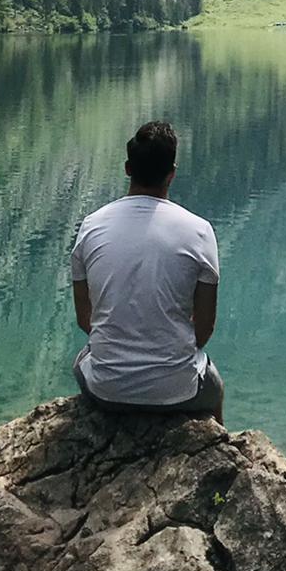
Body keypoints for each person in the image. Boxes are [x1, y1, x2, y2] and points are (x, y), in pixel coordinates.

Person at [70, 120, 224, 424]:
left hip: (106, 389)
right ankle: (222, 456)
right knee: (216, 388)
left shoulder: (91, 226)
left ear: (128, 168)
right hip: (176, 390)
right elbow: (203, 331)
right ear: (172, 173)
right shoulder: (200, 231)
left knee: (82, 360)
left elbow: (85, 319)